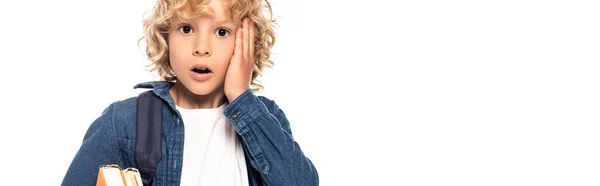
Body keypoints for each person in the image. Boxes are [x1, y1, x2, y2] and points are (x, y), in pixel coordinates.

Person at [60, 0, 319, 185]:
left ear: (246, 46)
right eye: (186, 29)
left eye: (221, 32)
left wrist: (242, 96)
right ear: (166, 38)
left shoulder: (265, 118)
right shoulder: (127, 121)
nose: (202, 47)